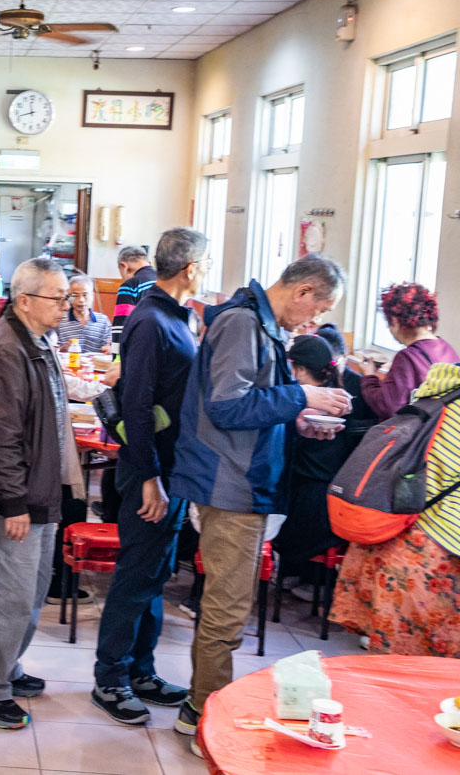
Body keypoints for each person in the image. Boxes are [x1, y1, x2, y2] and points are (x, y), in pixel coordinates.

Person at [167, 253, 353, 752]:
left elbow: (250, 404)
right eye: (317, 309)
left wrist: (293, 420)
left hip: (244, 480)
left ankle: (202, 706)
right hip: (230, 484)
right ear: (302, 292)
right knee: (226, 611)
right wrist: (303, 399)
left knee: (231, 607)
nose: (313, 323)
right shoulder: (242, 323)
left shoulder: (260, 323)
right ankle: (203, 713)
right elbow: (227, 406)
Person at [91, 228, 208, 725]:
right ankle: (110, 677)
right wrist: (148, 478)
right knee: (136, 576)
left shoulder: (179, 319)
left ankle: (142, 668)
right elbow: (136, 408)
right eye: (204, 263)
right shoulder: (150, 321)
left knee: (156, 575)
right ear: (190, 269)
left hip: (173, 469)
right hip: (150, 473)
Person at [0, 257, 83, 730]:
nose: (66, 307)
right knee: (5, 595)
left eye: (68, 297)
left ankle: (6, 665)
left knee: (31, 590)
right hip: (9, 498)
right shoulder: (7, 350)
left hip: (38, 490)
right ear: (26, 300)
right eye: (58, 298)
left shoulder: (38, 339)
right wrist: (13, 502)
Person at [330, 362, 460, 658]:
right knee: (421, 683)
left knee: (391, 673)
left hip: (392, 537)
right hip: (434, 559)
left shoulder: (444, 390)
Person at [271, 334, 365, 569]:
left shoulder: (296, 400)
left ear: (299, 369)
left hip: (305, 509)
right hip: (339, 506)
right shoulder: (343, 392)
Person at [350, 282, 459, 419]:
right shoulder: (447, 349)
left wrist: (369, 377)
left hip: (417, 437)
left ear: (394, 321)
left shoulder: (407, 357)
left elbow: (387, 407)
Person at [57, 274, 112, 353]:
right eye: (75, 295)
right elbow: (52, 350)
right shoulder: (60, 320)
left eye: (85, 295)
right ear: (69, 297)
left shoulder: (103, 321)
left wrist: (108, 349)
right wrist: (63, 349)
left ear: (92, 296)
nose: (81, 300)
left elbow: (109, 345)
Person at [112, 246, 156, 345]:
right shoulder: (165, 280)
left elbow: (120, 328)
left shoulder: (130, 285)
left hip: (141, 347)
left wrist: (116, 357)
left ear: (124, 266)